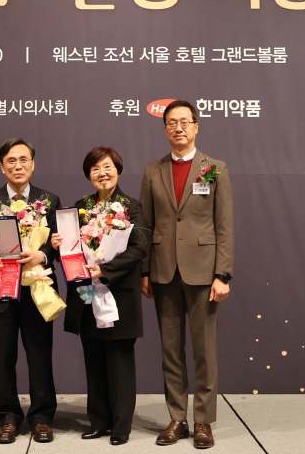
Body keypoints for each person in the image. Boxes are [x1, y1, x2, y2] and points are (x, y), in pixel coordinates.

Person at [140, 100, 234, 449]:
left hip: (203, 272)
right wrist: (145, 271)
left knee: (204, 350)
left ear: (196, 126)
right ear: (165, 129)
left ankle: (203, 420)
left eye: (184, 121)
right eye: (171, 123)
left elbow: (224, 226)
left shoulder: (215, 169)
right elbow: (145, 225)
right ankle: (177, 418)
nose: (178, 128)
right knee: (171, 350)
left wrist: (223, 274)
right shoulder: (153, 171)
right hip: (164, 271)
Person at [0, 138, 62, 444]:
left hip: (38, 289)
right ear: (2, 167)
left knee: (40, 355)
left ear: (33, 164)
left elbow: (61, 244)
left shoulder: (49, 200)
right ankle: (6, 417)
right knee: (2, 356)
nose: (18, 166)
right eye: (11, 161)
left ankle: (41, 417)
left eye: (24, 160)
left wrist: (43, 255)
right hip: (2, 289)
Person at [61, 146, 147, 446]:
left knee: (119, 360)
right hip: (87, 291)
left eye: (107, 167)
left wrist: (106, 269)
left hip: (119, 292)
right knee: (93, 357)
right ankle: (98, 421)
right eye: (95, 169)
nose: (102, 173)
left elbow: (139, 248)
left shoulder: (132, 207)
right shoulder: (81, 207)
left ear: (118, 170)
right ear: (89, 175)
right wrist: (61, 244)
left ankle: (121, 426)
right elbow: (71, 250)